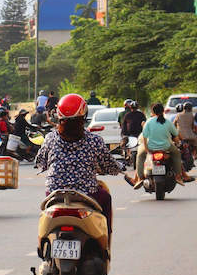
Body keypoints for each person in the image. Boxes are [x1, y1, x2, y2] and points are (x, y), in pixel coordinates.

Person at [35, 93, 121, 238]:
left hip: (54, 193)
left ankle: (43, 244)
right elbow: (109, 165)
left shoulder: (50, 138)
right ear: (84, 114)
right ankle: (106, 238)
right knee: (106, 198)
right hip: (87, 194)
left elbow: (40, 162)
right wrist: (117, 168)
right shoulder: (94, 140)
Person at [127, 103, 183, 188]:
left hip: (150, 147)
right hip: (166, 147)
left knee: (140, 156)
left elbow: (144, 136)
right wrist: (178, 143)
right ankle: (178, 176)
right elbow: (175, 135)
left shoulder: (149, 122)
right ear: (163, 111)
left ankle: (139, 178)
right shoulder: (167, 122)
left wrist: (146, 148)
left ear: (153, 112)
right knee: (176, 154)